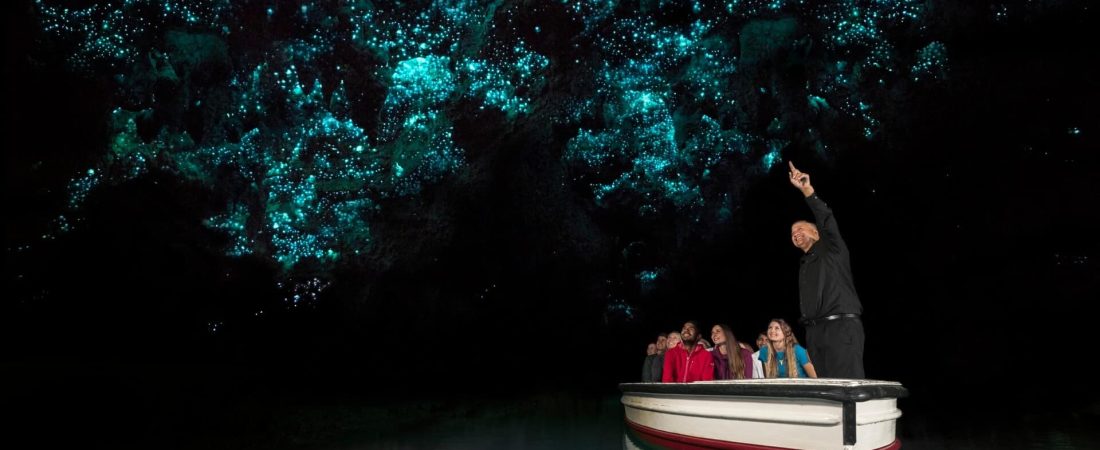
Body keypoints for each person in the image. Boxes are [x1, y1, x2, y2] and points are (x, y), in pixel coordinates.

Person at [787, 161, 865, 378]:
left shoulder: (832, 248)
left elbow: (826, 219)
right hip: (815, 333)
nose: (795, 234)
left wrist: (806, 190)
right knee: (826, 389)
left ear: (816, 232)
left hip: (840, 327)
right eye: (792, 233)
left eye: (800, 228)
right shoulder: (804, 263)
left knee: (845, 387)